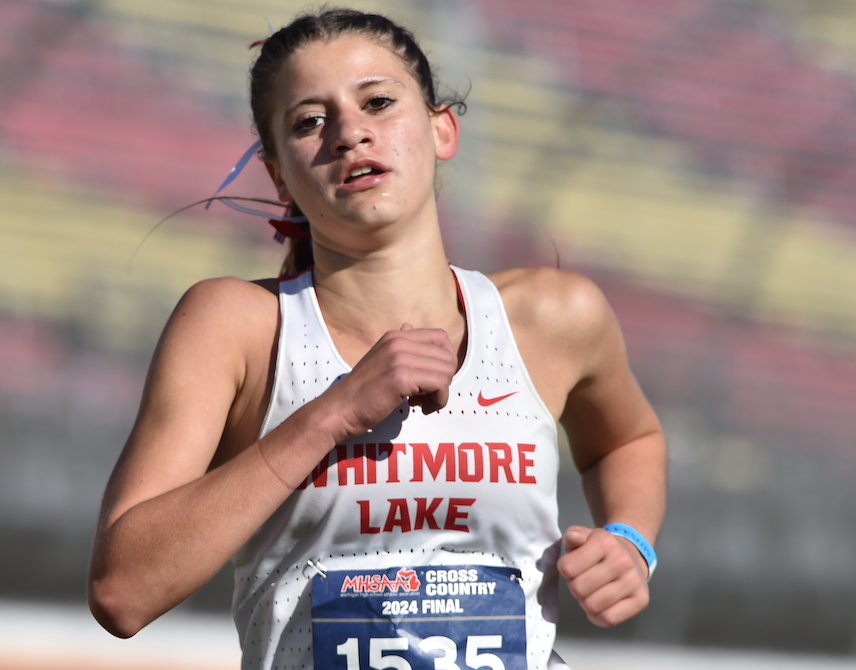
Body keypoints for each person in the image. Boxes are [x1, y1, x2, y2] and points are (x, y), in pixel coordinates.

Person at [87, 8, 666, 670]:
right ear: (278, 176)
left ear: (442, 128)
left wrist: (630, 540)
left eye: (378, 102)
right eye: (309, 121)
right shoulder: (236, 325)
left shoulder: (555, 315)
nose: (350, 134)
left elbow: (629, 439)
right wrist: (335, 411)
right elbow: (121, 592)